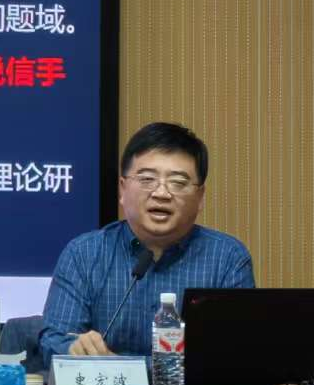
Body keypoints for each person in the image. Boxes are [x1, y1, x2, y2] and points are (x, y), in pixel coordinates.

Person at [38, 121, 254, 361]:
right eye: (147, 179)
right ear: (122, 190)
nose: (161, 193)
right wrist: (75, 348)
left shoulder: (226, 259)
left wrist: (122, 367)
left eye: (178, 183)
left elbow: (235, 355)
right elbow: (54, 341)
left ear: (200, 197)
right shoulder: (84, 254)